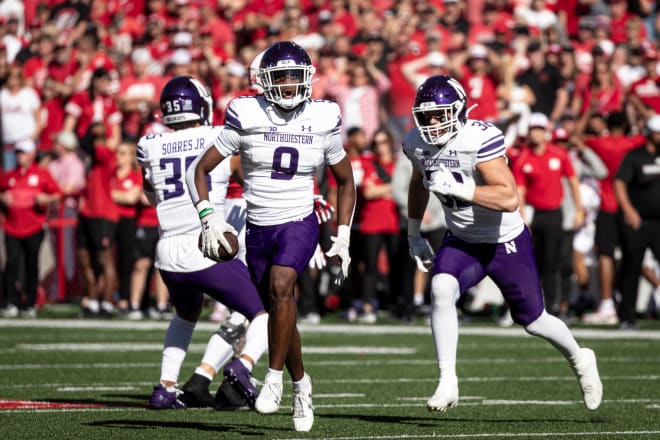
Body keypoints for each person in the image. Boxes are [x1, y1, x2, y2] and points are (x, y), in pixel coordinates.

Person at [403, 75, 602, 413]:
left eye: (441, 115)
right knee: (440, 289)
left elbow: (509, 198)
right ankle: (447, 379)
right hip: (463, 239)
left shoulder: (477, 139)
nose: (433, 123)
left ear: (460, 110)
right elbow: (419, 183)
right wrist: (413, 231)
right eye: (427, 116)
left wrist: (461, 188)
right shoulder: (416, 143)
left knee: (534, 320)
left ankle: (580, 358)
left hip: (503, 240)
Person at [186, 41, 356, 432]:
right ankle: (302, 384)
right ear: (265, 80)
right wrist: (207, 217)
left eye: (296, 77)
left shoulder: (322, 116)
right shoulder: (246, 113)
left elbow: (346, 181)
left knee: (282, 287)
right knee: (282, 311)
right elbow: (200, 169)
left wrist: (343, 234)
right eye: (280, 76)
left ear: (308, 79)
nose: (289, 85)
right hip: (258, 227)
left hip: (299, 220)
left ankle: (273, 377)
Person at [137, 75, 268, 410]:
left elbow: (151, 194)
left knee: (185, 314)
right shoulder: (217, 136)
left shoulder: (148, 144)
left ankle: (166, 387)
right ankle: (241, 366)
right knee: (266, 313)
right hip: (206, 246)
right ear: (201, 105)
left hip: (167, 251)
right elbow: (251, 179)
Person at [0, 139, 60, 318]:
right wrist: (3, 198)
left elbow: (57, 194)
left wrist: (44, 199)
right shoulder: (10, 175)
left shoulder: (41, 174)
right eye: (18, 153)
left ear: (32, 154)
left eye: (23, 153)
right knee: (11, 263)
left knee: (31, 265)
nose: (20, 156)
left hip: (34, 226)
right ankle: (9, 300)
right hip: (11, 226)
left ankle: (30, 302)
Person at [613, 115, 660, 329]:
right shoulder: (635, 157)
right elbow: (620, 183)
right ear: (651, 134)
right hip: (638, 221)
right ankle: (627, 316)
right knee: (631, 267)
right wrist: (629, 210)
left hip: (658, 222)